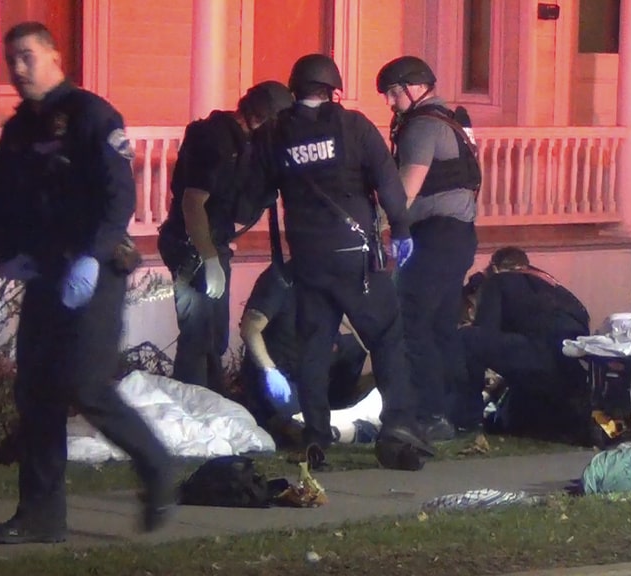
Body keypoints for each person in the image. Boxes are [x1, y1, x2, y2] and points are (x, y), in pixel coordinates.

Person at [0, 21, 174, 544]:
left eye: (26, 57)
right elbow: (2, 195)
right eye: (10, 61)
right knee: (37, 392)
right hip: (45, 273)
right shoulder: (21, 130)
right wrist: (8, 254)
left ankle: (157, 467)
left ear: (53, 56)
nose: (17, 70)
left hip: (95, 272)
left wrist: (91, 256)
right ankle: (41, 516)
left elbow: (118, 196)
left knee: (84, 386)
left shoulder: (91, 115)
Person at [254, 53, 434, 470]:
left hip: (308, 258)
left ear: (295, 88)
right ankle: (398, 428)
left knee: (315, 347)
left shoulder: (275, 133)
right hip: (356, 259)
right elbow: (389, 184)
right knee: (387, 336)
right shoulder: (353, 127)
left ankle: (315, 438)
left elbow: (257, 190)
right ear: (333, 89)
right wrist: (402, 232)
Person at [157, 80, 294, 393]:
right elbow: (192, 203)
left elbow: (240, 206)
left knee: (214, 337)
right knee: (197, 337)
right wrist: (207, 257)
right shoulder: (215, 140)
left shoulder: (246, 142)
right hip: (191, 248)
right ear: (266, 117)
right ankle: (190, 410)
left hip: (213, 245)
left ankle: (214, 404)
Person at [376, 56, 481, 441]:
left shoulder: (423, 126)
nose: (390, 102)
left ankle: (431, 414)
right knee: (442, 328)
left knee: (413, 324)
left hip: (435, 237)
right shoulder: (450, 120)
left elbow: (405, 189)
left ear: (414, 88)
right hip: (458, 235)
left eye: (393, 93)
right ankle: (462, 414)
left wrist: (378, 226)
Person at [453, 247, 592, 444]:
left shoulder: (498, 281)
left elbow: (486, 332)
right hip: (572, 364)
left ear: (495, 267)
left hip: (541, 354)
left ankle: (466, 420)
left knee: (468, 338)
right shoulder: (551, 283)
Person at [239, 260, 371, 445]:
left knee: (357, 350)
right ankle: (317, 430)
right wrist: (270, 371)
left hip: (315, 360)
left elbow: (350, 318)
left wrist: (375, 347)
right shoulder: (280, 280)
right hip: (282, 370)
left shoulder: (329, 276)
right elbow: (250, 329)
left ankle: (341, 406)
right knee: (297, 423)